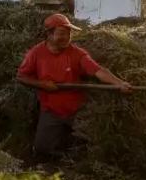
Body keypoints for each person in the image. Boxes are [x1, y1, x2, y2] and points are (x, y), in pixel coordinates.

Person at [17, 13, 131, 157]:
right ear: (49, 35)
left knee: (91, 145)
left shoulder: (77, 54)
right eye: (62, 33)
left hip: (77, 110)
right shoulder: (36, 53)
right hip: (51, 110)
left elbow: (98, 71)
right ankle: (61, 156)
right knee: (42, 150)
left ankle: (75, 152)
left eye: (69, 33)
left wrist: (119, 83)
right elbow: (21, 77)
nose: (67, 37)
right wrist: (42, 84)